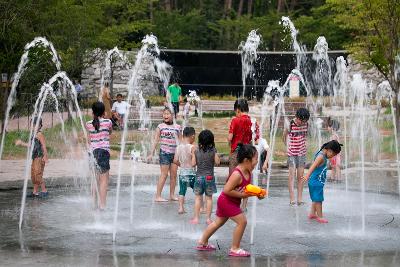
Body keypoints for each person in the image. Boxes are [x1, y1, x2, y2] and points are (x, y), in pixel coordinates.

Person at [196, 144, 263, 257]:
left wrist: (257, 194)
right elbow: (227, 190)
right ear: (246, 160)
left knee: (217, 223)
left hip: (230, 202)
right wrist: (242, 195)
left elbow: (246, 190)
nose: (257, 161)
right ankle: (235, 248)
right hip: (226, 201)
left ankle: (202, 242)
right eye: (256, 158)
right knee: (242, 222)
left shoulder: (248, 172)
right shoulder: (237, 174)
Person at [302, 140, 342, 223]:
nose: (332, 157)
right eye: (333, 155)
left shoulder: (321, 153)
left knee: (315, 199)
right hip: (316, 182)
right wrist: (307, 175)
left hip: (316, 181)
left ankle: (312, 213)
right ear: (329, 150)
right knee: (319, 200)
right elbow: (313, 166)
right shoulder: (321, 157)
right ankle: (320, 217)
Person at [148, 107, 181, 202]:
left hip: (175, 154)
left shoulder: (178, 127)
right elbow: (155, 140)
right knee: (164, 174)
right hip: (164, 153)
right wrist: (151, 153)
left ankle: (172, 195)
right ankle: (158, 196)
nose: (165, 115)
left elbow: (181, 141)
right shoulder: (160, 126)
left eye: (168, 114)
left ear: (173, 116)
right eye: (164, 114)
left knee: (174, 175)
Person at [86, 102, 112, 210]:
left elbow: (89, 139)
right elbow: (109, 132)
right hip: (103, 151)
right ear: (103, 112)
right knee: (104, 180)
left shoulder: (88, 124)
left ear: (93, 112)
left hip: (92, 152)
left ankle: (94, 203)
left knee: (94, 179)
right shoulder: (108, 122)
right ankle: (102, 205)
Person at [190, 130, 220, 225]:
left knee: (198, 198)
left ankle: (196, 218)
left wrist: (193, 155)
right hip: (209, 178)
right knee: (209, 199)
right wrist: (216, 153)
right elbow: (218, 162)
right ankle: (208, 219)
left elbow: (193, 164)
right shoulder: (213, 151)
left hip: (199, 177)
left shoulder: (196, 151)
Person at [15, 117, 49, 198]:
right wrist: (21, 143)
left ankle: (44, 191)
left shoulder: (40, 134)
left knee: (38, 174)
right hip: (34, 157)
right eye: (32, 125)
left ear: (40, 126)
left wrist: (45, 156)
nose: (33, 127)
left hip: (40, 157)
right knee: (33, 175)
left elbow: (44, 146)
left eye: (35, 125)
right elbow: (30, 145)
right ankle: (35, 192)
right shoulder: (33, 135)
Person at [283, 107, 310, 206]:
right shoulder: (290, 124)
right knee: (291, 176)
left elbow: (305, 136)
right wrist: (288, 147)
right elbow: (284, 137)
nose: (302, 123)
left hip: (302, 153)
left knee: (300, 176)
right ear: (296, 117)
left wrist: (305, 144)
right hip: (292, 154)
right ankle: (292, 199)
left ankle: (299, 199)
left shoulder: (306, 124)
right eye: (301, 121)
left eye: (304, 121)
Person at [228, 99, 259, 175]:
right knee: (245, 178)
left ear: (238, 110)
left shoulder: (235, 120)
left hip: (236, 153)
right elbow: (256, 141)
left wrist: (229, 143)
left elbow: (230, 138)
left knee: (233, 177)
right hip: (248, 154)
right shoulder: (253, 121)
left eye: (235, 112)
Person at [173, 126, 196, 214]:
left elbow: (175, 160)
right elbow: (194, 161)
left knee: (182, 191)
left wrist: (181, 165)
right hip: (192, 173)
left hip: (182, 173)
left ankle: (181, 208)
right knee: (197, 191)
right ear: (192, 136)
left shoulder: (178, 147)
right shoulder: (192, 147)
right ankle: (201, 207)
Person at [327, 118, 341, 183]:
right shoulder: (333, 135)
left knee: (336, 166)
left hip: (334, 154)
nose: (327, 128)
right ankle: (332, 177)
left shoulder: (334, 136)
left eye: (329, 126)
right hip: (334, 154)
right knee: (333, 166)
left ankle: (338, 178)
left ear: (332, 127)